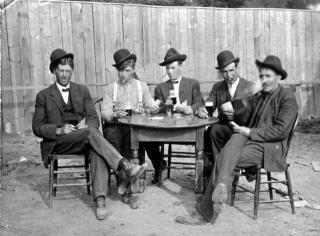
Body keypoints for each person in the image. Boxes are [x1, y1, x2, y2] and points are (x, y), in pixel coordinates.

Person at [175, 55, 298, 224]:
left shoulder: (287, 97)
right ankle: (220, 189)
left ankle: (205, 211)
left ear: (278, 76)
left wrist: (250, 132)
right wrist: (238, 102)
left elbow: (280, 131)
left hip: (271, 147)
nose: (264, 80)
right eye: (261, 76)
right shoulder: (261, 94)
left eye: (268, 76)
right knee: (229, 144)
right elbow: (243, 110)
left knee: (226, 158)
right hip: (249, 137)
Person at [32, 48, 147, 221]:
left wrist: (86, 126)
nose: (64, 75)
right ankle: (125, 166)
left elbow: (93, 118)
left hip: (83, 136)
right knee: (92, 135)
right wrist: (58, 130)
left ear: (72, 71)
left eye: (68, 71)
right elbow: (36, 127)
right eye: (61, 71)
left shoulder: (82, 91)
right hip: (58, 142)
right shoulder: (43, 96)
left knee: (96, 149)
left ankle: (100, 201)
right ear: (54, 71)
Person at [101, 48, 160, 208]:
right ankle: (128, 185)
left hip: (134, 128)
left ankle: (126, 185)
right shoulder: (110, 88)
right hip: (115, 126)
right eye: (120, 71)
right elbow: (104, 112)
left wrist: (153, 108)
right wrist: (113, 113)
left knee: (132, 140)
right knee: (114, 138)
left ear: (133, 70)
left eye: (126, 71)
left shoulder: (142, 86)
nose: (122, 74)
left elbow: (150, 106)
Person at [146, 48, 205, 183]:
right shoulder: (160, 88)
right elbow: (159, 106)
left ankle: (202, 175)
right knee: (147, 139)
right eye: (167, 69)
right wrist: (155, 108)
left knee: (205, 138)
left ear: (181, 67)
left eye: (172, 68)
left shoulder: (192, 83)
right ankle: (159, 165)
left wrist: (191, 108)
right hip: (166, 127)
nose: (169, 71)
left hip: (188, 126)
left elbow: (198, 100)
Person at [198, 50, 256, 164]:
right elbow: (210, 102)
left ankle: (223, 170)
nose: (229, 75)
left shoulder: (249, 86)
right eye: (224, 72)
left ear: (237, 67)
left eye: (231, 70)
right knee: (212, 131)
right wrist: (201, 108)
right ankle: (220, 168)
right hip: (224, 129)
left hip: (243, 129)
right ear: (220, 72)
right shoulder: (217, 87)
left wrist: (238, 113)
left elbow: (255, 113)